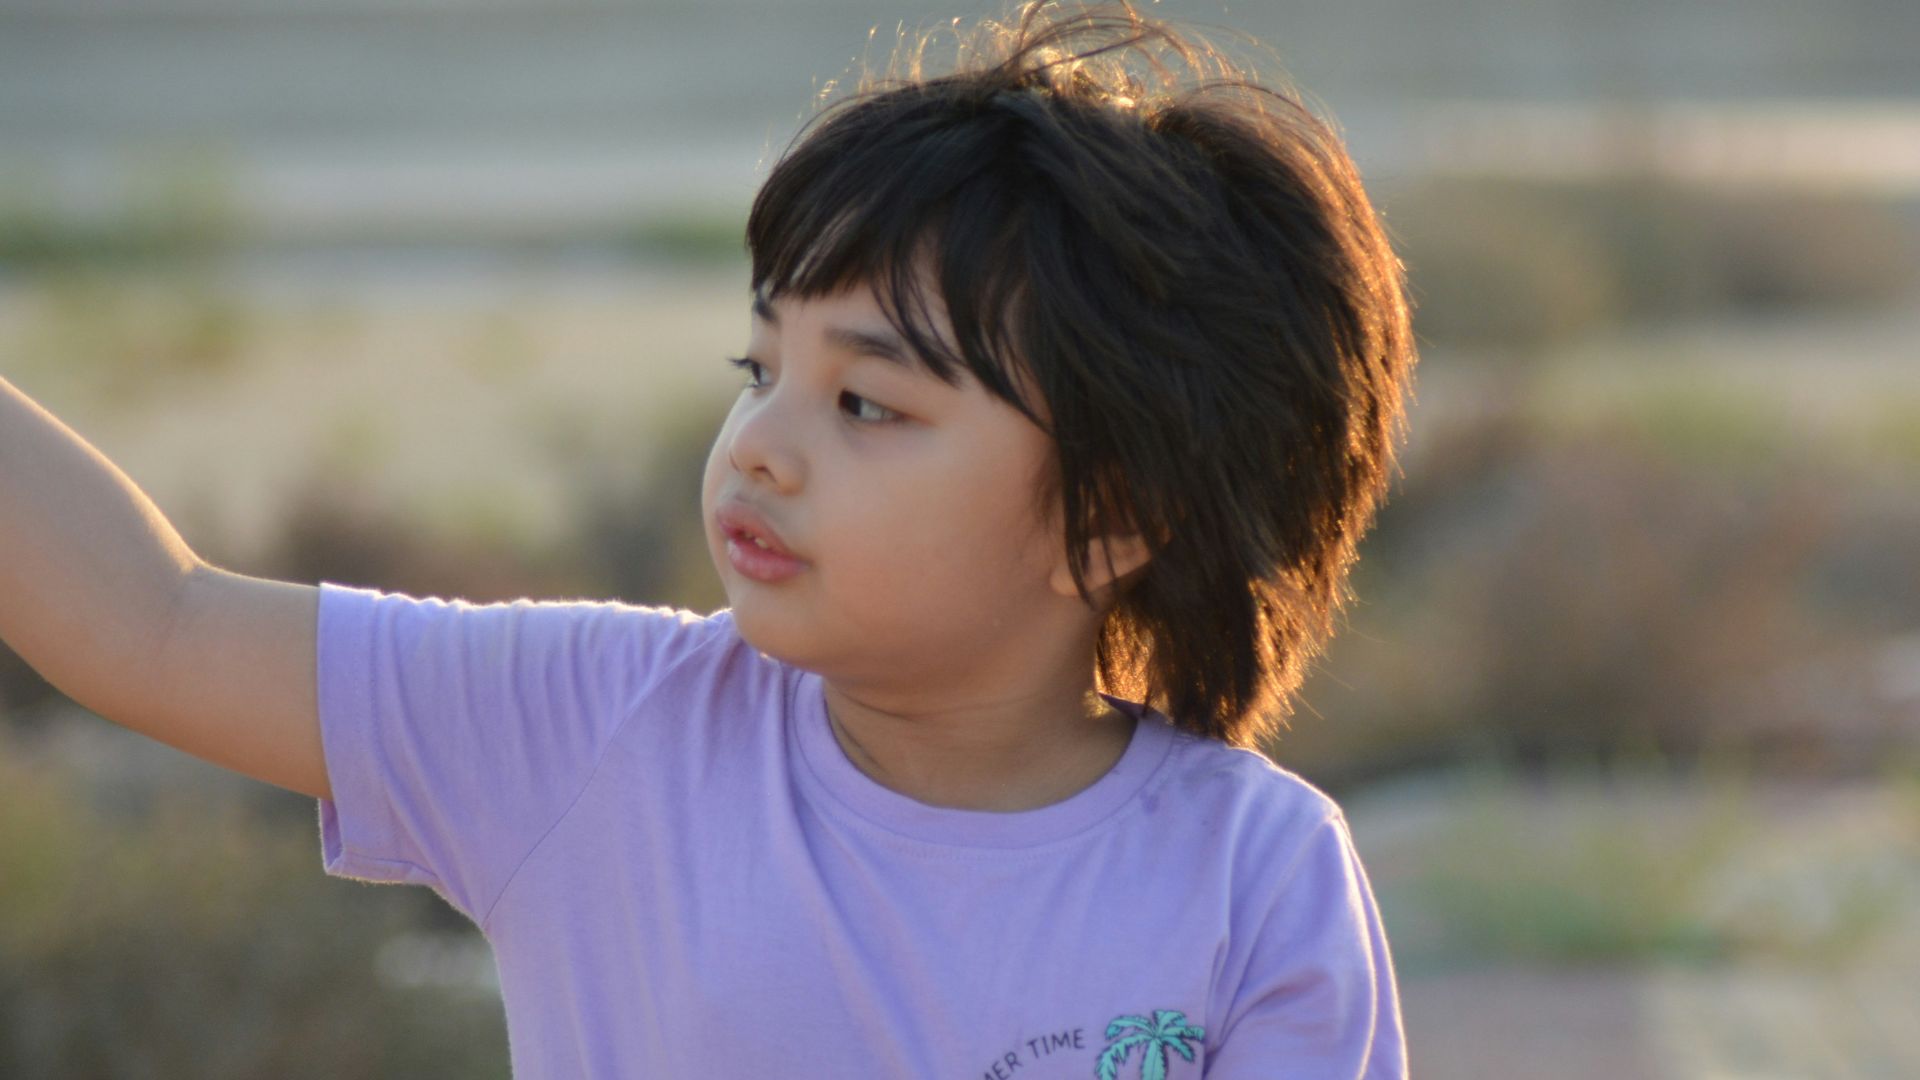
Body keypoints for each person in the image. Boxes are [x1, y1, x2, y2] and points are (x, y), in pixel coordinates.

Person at [0, 1, 1416, 1075]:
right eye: (760, 373)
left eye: (866, 401)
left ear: (1109, 522)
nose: (762, 446)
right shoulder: (597, 733)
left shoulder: (1257, 877)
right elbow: (151, 622)